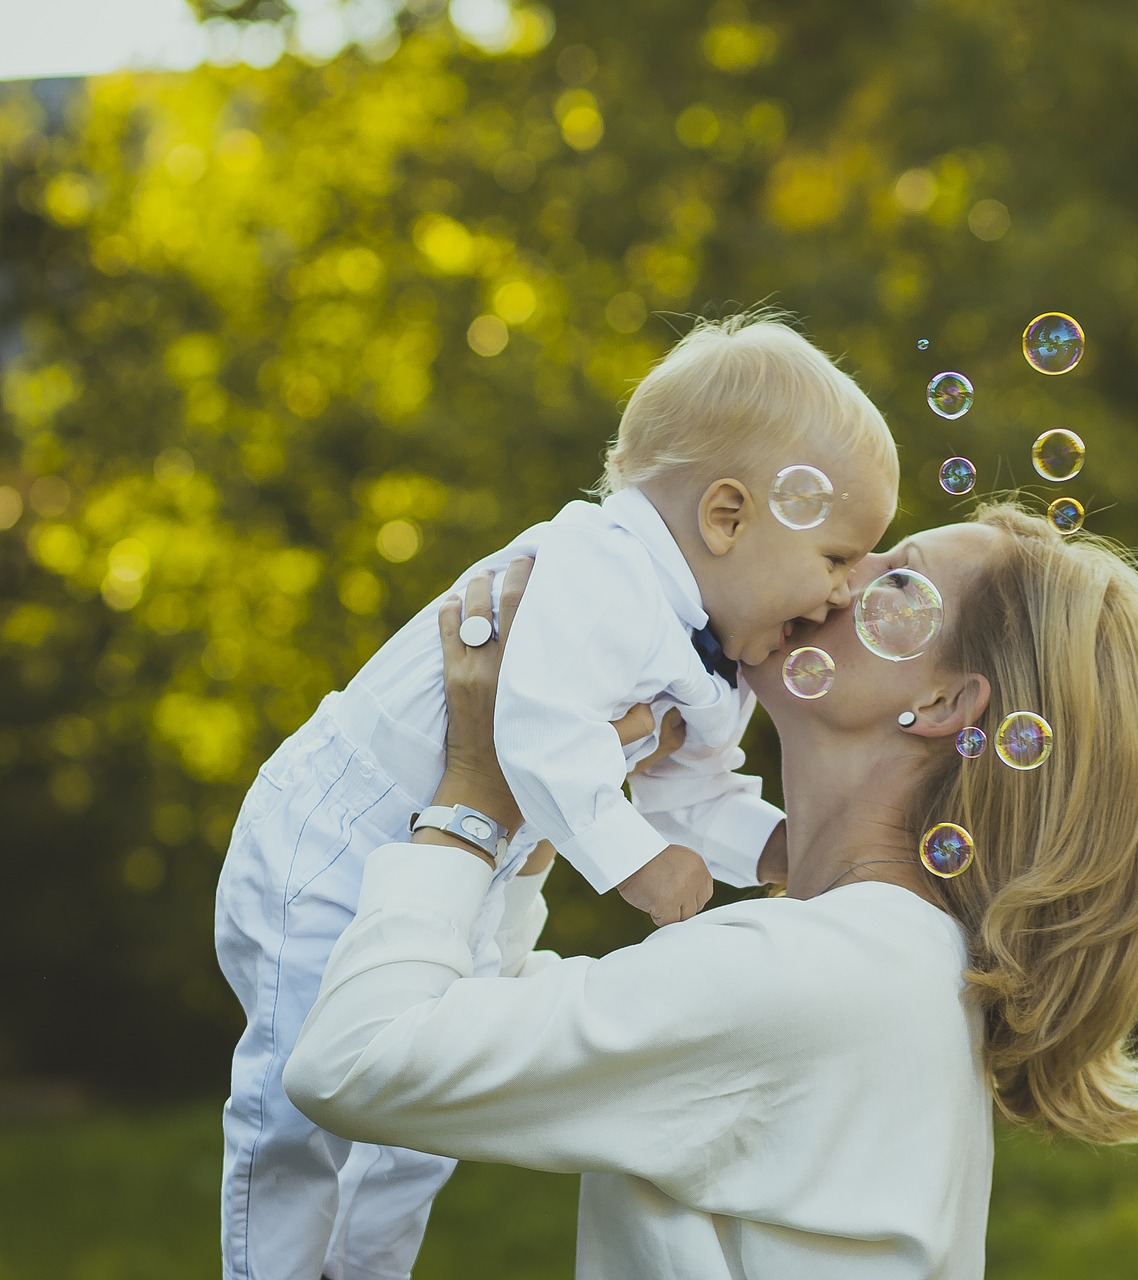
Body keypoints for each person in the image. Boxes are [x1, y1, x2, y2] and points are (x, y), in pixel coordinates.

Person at [284, 501, 1138, 1278]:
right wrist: (540, 808)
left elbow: (360, 1060)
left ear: (942, 707)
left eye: (896, 579)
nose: (843, 579)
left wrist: (476, 794)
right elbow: (472, 1016)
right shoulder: (877, 962)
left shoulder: (818, 976)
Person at [214, 313, 900, 1280]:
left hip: (466, 866)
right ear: (728, 517)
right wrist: (636, 863)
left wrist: (782, 849)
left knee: (420, 1112)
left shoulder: (723, 655)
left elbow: (690, 792)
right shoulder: (601, 570)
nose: (841, 595)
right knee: (298, 1101)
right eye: (836, 557)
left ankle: (361, 1270)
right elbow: (535, 727)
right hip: (332, 835)